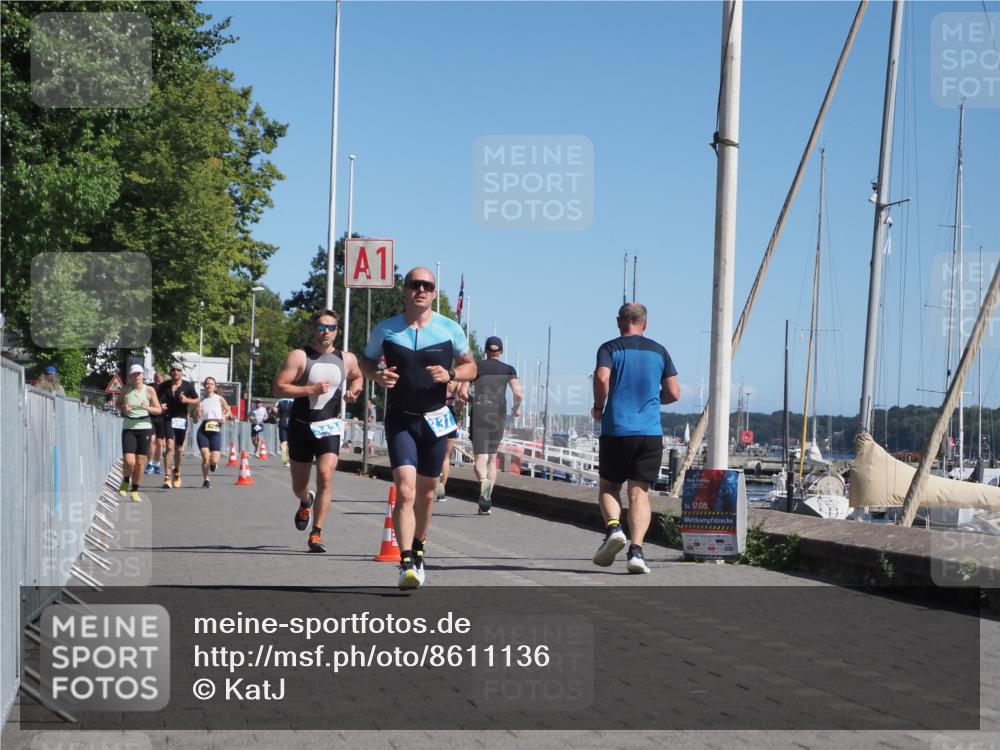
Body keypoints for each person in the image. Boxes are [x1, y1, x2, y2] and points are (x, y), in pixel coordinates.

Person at [359, 267, 476, 589]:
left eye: (427, 285)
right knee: (406, 489)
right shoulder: (386, 329)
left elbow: (471, 366)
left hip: (436, 419)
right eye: (415, 285)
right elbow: (365, 361)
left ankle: (420, 546)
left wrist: (452, 375)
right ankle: (406, 559)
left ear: (435, 293)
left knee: (426, 494)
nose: (421, 290)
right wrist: (376, 376)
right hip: (401, 418)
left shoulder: (449, 329)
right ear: (405, 290)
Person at [591, 303, 680, 575]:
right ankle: (637, 553)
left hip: (617, 429)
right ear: (645, 323)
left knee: (608, 487)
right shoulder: (660, 351)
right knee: (639, 493)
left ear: (620, 321)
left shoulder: (609, 348)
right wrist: (655, 399)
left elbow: (602, 377)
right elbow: (674, 393)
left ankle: (614, 529)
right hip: (649, 432)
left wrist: (598, 405)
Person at [273, 309, 363, 552]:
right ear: (313, 329)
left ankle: (317, 533)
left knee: (325, 474)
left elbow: (357, 377)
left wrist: (354, 391)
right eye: (321, 327)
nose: (326, 332)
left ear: (336, 331)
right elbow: (278, 388)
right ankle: (305, 501)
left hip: (328, 426)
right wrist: (309, 390)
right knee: (298, 485)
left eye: (331, 327)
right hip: (301, 427)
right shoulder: (300, 356)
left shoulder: (347, 359)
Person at [469, 336, 522, 514]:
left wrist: (471, 400)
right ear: (501, 351)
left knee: (480, 459)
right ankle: (487, 499)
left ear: (485, 350)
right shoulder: (508, 369)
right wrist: (515, 409)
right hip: (497, 413)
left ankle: (483, 481)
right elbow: (518, 393)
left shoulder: (476, 366)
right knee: (492, 458)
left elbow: (461, 392)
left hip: (479, 411)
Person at [117, 364, 163, 502]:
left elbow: (159, 410)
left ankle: (135, 490)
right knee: (128, 460)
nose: (137, 376)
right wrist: (124, 407)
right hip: (129, 427)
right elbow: (118, 404)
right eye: (134, 374)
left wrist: (147, 407)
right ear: (130, 377)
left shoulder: (149, 390)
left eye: (139, 374)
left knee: (140, 463)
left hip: (144, 427)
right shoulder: (125, 389)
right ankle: (126, 480)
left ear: (143, 375)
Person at [155, 362, 199, 490]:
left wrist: (187, 400)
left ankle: (177, 470)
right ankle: (167, 476)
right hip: (168, 417)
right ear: (170, 372)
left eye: (178, 370)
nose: (175, 372)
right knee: (169, 446)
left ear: (182, 372)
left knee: (179, 449)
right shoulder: (163, 386)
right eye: (173, 370)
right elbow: (155, 399)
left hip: (181, 418)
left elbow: (197, 400)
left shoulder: (188, 386)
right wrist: (160, 406)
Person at [193, 377, 233, 489]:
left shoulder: (219, 399)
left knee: (214, 460)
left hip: (215, 430)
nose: (209, 385)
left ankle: (213, 463)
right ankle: (206, 479)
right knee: (205, 456)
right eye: (207, 383)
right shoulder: (200, 401)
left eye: (212, 384)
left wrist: (224, 417)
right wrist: (196, 414)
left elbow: (228, 410)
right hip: (203, 430)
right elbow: (196, 420)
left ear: (215, 387)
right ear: (204, 386)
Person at [435, 379, 465, 502]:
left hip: (434, 412)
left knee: (429, 451)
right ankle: (441, 489)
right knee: (446, 456)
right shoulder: (457, 380)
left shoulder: (437, 376)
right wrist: (458, 414)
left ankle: (429, 483)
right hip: (449, 413)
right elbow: (461, 398)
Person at [146, 372, 166, 477]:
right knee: (151, 441)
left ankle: (157, 464)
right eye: (156, 379)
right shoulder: (149, 388)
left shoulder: (166, 389)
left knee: (160, 443)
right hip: (151, 417)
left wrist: (166, 407)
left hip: (162, 418)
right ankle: (149, 463)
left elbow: (170, 402)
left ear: (163, 380)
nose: (157, 382)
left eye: (159, 380)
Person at [275, 397, 294, 466]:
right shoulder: (294, 401)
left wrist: (277, 417)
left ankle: (285, 459)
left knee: (284, 442)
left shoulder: (280, 400)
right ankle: (289, 458)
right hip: (292, 423)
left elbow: (275, 410)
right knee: (290, 443)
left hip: (282, 421)